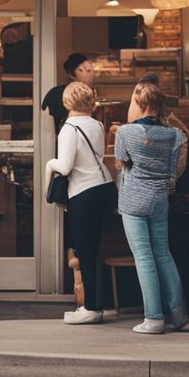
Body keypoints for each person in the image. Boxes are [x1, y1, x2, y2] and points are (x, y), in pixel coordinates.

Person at [114, 81, 189, 334]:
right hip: (160, 199)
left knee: (144, 258)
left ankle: (154, 318)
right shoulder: (174, 135)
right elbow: (174, 171)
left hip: (134, 199)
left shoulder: (124, 133)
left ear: (139, 103)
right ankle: (178, 313)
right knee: (163, 254)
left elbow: (121, 164)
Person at [44, 81, 116, 325]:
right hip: (105, 187)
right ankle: (99, 303)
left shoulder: (69, 128)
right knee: (97, 250)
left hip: (83, 192)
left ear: (66, 103)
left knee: (85, 251)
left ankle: (92, 308)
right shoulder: (97, 124)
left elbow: (64, 166)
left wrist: (48, 164)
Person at [41, 52, 94, 137]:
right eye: (81, 70)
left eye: (89, 70)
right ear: (71, 74)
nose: (88, 74)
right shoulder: (57, 94)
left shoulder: (90, 93)